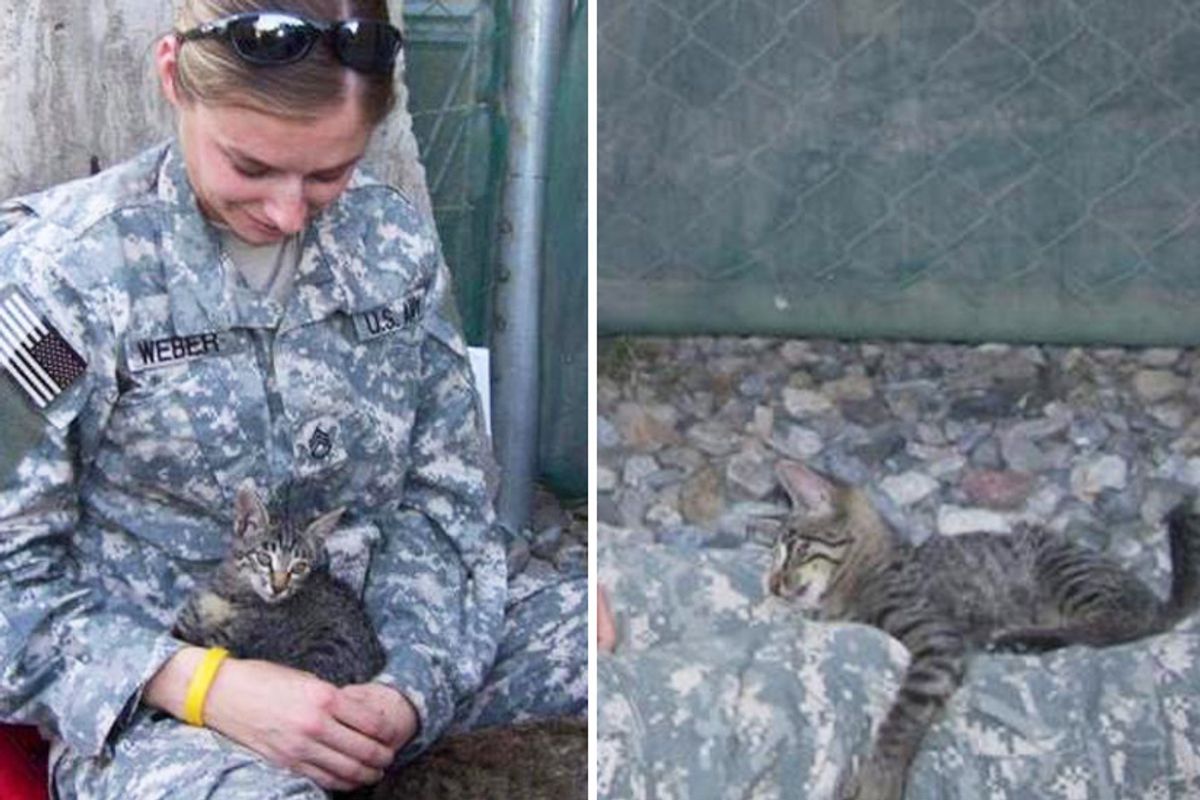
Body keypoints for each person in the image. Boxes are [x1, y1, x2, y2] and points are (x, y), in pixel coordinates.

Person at [0, 2, 585, 797]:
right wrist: (202, 684)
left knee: (638, 649)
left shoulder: (391, 246)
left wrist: (407, 690)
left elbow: (443, 503)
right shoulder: (64, 280)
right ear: (173, 77)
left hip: (386, 636)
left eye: (329, 174)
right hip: (171, 704)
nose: (286, 212)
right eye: (250, 166)